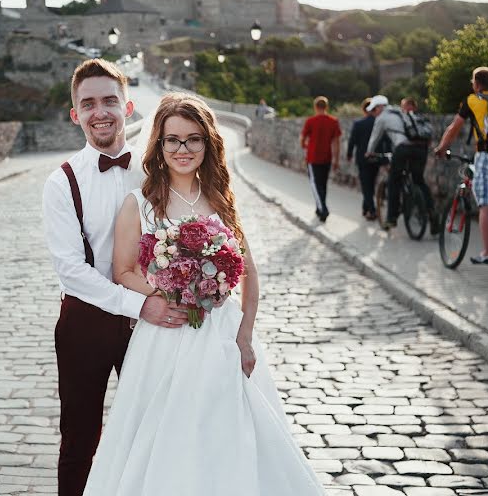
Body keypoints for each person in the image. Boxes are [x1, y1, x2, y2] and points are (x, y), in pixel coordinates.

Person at [83, 93, 326, 495]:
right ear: (158, 145)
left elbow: (248, 271)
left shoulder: (220, 200)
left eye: (193, 139)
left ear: (207, 144)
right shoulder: (140, 203)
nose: (183, 149)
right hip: (165, 335)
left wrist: (245, 336)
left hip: (221, 336)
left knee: (227, 432)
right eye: (172, 140)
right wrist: (165, 291)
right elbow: (122, 271)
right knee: (168, 435)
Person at [42, 59, 187, 496]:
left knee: (156, 429)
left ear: (127, 106)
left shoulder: (156, 170)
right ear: (75, 115)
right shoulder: (61, 182)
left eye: (109, 101)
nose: (99, 112)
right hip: (88, 321)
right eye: (88, 104)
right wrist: (141, 304)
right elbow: (70, 270)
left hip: (152, 321)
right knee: (80, 437)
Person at [433, 66, 488, 264]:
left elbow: (454, 127)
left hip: (487, 156)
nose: (472, 85)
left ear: (477, 84)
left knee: (485, 204)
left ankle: (487, 253)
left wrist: (441, 148)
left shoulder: (472, 100)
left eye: (473, 82)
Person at [365, 95, 436, 231]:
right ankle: (432, 214)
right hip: (421, 147)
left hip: (403, 148)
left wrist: (369, 153)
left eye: (374, 110)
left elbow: (374, 138)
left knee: (394, 180)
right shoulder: (400, 111)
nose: (373, 113)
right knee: (419, 180)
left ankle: (391, 218)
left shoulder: (382, 118)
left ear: (380, 107)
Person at [300, 96, 341, 222]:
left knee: (315, 185)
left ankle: (323, 209)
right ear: (326, 107)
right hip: (327, 158)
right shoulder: (333, 121)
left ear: (315, 107)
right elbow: (336, 143)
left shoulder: (310, 121)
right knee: (323, 184)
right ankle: (319, 208)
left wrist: (305, 146)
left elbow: (303, 138)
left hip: (313, 158)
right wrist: (336, 160)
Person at [346, 97, 380, 220]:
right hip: (376, 157)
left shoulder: (359, 124)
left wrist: (349, 154)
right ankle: (366, 209)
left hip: (362, 159)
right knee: (371, 183)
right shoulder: (379, 122)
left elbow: (352, 141)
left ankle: (372, 210)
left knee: (366, 185)